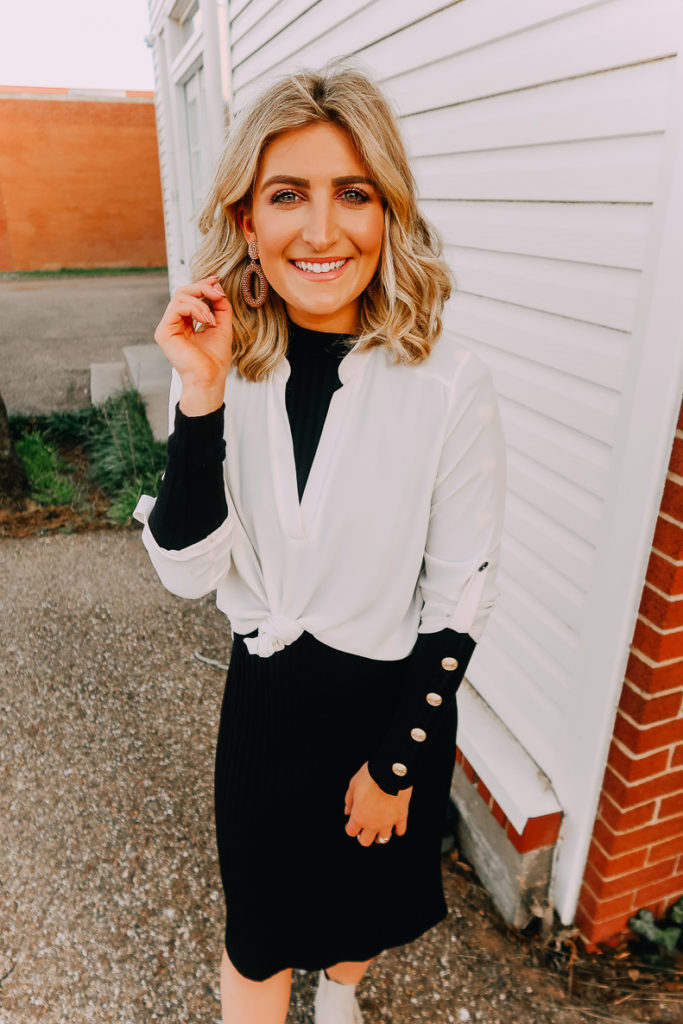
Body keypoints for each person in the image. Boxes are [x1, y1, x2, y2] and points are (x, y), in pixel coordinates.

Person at [133, 61, 506, 1024]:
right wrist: (201, 395)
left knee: (362, 913)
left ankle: (340, 995)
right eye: (287, 194)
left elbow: (457, 592)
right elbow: (184, 569)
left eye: (353, 193)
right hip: (267, 704)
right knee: (256, 934)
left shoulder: (446, 382)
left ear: (387, 213)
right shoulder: (226, 356)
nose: (321, 228)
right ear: (247, 220)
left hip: (387, 703)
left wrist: (397, 764)